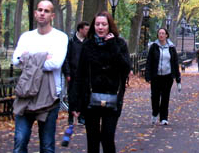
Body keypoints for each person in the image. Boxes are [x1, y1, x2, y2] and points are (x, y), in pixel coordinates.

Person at [12, 0, 68, 153]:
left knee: (47, 144)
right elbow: (15, 60)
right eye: (40, 10)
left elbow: (56, 63)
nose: (42, 13)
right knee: (20, 140)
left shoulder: (60, 38)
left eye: (46, 11)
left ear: (52, 15)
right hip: (26, 95)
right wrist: (44, 57)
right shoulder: (26, 37)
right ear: (35, 13)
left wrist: (29, 58)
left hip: (49, 96)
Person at [73, 11, 131, 153]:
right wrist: (75, 103)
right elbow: (80, 74)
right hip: (90, 98)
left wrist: (112, 46)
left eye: (104, 24)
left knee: (107, 137)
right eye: (97, 24)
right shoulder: (88, 45)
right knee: (92, 139)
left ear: (109, 26)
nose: (100, 27)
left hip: (113, 97)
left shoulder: (119, 44)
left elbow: (125, 68)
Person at [145, 27, 181, 125]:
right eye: (159, 33)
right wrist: (147, 75)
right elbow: (149, 61)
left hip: (167, 76)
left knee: (165, 97)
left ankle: (164, 118)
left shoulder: (171, 47)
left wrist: (178, 78)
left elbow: (175, 63)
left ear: (166, 35)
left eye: (163, 33)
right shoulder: (154, 47)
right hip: (156, 76)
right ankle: (155, 112)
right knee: (155, 97)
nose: (161, 35)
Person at [62, 21, 89, 127]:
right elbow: (67, 58)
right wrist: (67, 73)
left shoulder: (88, 42)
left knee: (84, 95)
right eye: (86, 29)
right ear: (80, 29)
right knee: (72, 95)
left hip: (85, 74)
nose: (87, 31)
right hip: (73, 73)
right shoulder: (72, 42)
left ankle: (82, 117)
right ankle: (70, 117)